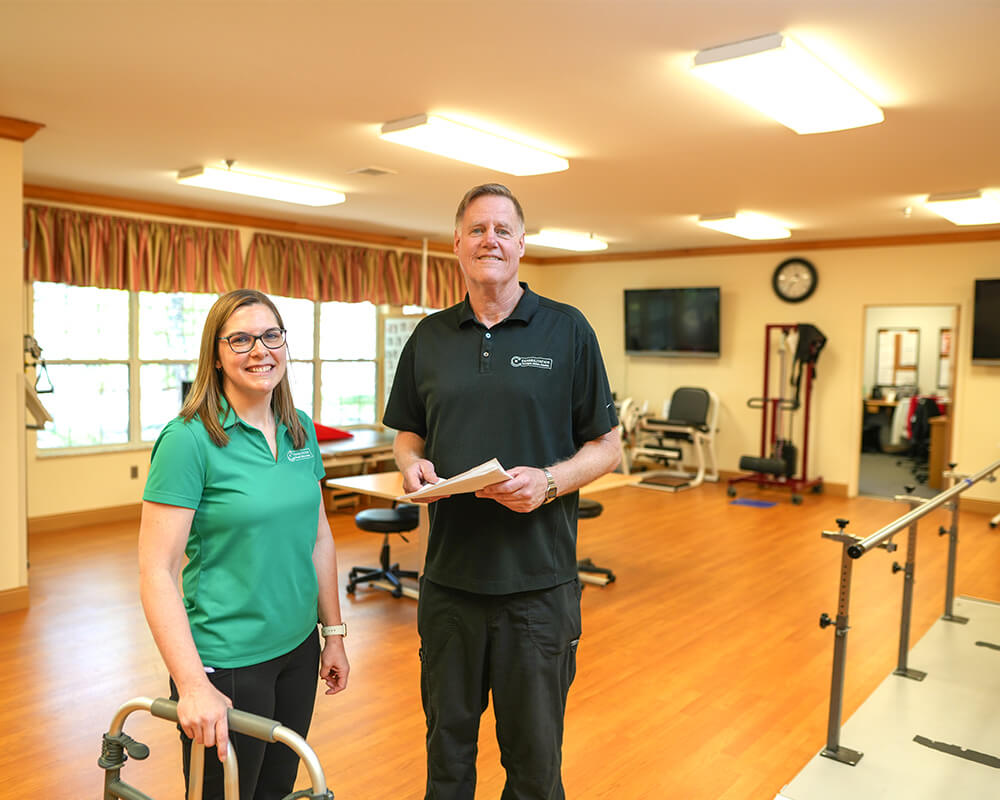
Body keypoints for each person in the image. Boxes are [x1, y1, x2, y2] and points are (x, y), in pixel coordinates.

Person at [384, 183, 620, 799]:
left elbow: (607, 446)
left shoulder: (567, 330)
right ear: (457, 243)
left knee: (535, 769)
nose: (490, 239)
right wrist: (411, 464)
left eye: (502, 230)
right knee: (446, 762)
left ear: (521, 244)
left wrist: (550, 481)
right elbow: (408, 434)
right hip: (449, 588)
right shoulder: (429, 337)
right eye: (477, 229)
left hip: (538, 592)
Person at [138, 289, 349, 800]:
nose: (260, 350)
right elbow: (156, 572)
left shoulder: (300, 429)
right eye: (241, 339)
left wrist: (333, 633)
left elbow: (319, 535)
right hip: (228, 661)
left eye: (271, 335)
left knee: (275, 789)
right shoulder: (188, 439)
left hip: (298, 649)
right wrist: (193, 685)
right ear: (216, 354)